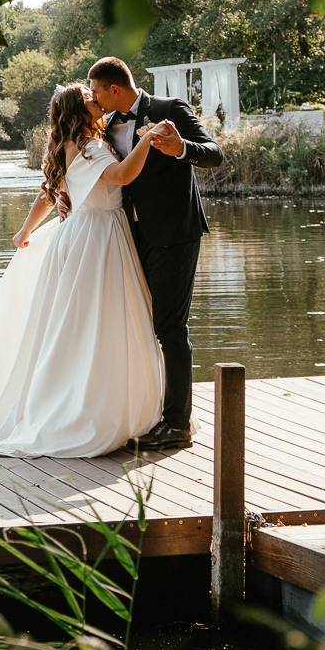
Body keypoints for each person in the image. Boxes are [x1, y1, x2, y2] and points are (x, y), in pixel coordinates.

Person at [0, 83, 164, 458]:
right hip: (97, 238)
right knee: (97, 325)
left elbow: (50, 193)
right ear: (78, 111)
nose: (96, 99)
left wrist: (25, 230)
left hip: (86, 233)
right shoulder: (89, 146)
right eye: (89, 98)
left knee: (80, 326)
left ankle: (88, 401)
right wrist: (149, 138)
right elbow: (120, 177)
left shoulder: (76, 143)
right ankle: (90, 410)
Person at [86, 56, 223, 450]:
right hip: (132, 237)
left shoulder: (169, 109)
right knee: (142, 324)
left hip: (176, 235)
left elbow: (214, 153)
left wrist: (181, 148)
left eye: (96, 92)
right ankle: (150, 413)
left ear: (114, 89)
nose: (93, 99)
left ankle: (177, 425)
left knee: (170, 328)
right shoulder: (107, 124)